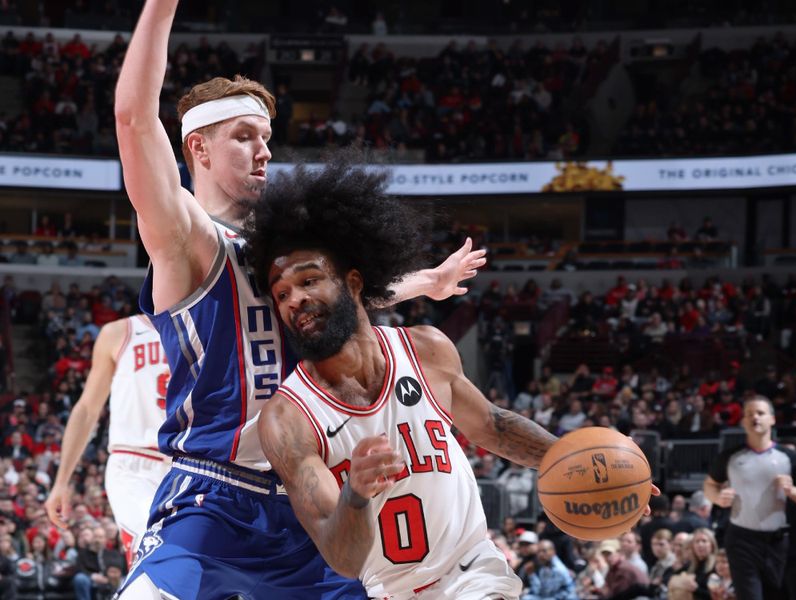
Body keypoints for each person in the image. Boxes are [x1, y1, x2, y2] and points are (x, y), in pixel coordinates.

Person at [113, 2, 484, 597]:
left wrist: (427, 283)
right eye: (243, 137)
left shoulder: (288, 251)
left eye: (265, 137)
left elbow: (349, 300)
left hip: (310, 495)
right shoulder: (186, 237)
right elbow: (133, 120)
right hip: (213, 494)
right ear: (198, 149)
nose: (263, 151)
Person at [244, 159, 555, 598]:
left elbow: (494, 427)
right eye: (282, 294)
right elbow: (343, 559)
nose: (296, 299)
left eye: (309, 280)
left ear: (354, 283)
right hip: (391, 591)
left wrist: (570, 457)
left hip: (474, 572)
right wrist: (354, 494)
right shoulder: (286, 419)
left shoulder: (426, 348)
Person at [45, 316, 171, 565]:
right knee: (154, 553)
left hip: (192, 464)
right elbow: (87, 410)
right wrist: (61, 482)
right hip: (134, 463)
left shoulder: (204, 325)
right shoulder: (120, 332)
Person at [704, 396, 796, 600]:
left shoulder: (789, 458)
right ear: (743, 421)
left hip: (780, 541)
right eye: (749, 414)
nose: (754, 417)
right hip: (741, 539)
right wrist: (718, 497)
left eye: (760, 413)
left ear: (772, 419)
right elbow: (709, 484)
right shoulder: (731, 457)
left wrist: (792, 491)